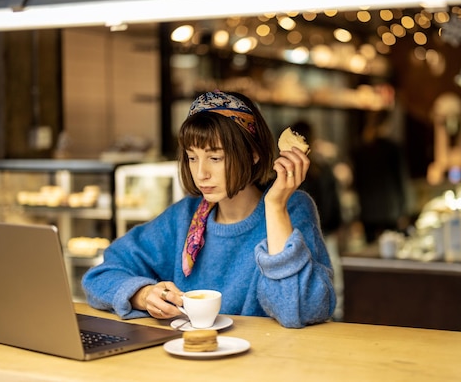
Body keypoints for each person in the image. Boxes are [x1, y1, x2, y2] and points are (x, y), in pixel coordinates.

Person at [82, 91, 336, 328]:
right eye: (193, 158)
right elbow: (100, 276)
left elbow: (299, 310)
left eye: (215, 158)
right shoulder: (183, 217)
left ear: (254, 154)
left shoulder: (291, 208)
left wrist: (275, 205)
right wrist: (143, 294)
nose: (201, 173)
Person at [351, 110, 409, 244]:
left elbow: (357, 183)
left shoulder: (361, 149)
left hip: (368, 210)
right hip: (390, 209)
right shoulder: (393, 149)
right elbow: (401, 181)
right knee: (392, 248)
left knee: (370, 250)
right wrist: (404, 209)